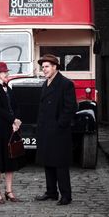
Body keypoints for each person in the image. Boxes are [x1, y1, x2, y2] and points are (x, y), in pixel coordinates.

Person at [35, 54, 77, 205]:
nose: (44, 69)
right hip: (45, 130)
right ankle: (51, 192)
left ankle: (66, 196)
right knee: (48, 161)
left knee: (60, 164)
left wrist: (60, 125)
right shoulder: (45, 84)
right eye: (43, 67)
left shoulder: (66, 84)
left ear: (55, 67)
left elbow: (71, 107)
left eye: (46, 66)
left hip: (59, 132)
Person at [0, 61, 23, 204]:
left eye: (7, 71)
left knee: (10, 159)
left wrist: (17, 120)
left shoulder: (9, 88)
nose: (7, 73)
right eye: (4, 72)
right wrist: (13, 119)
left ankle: (9, 191)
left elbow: (16, 106)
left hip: (10, 128)